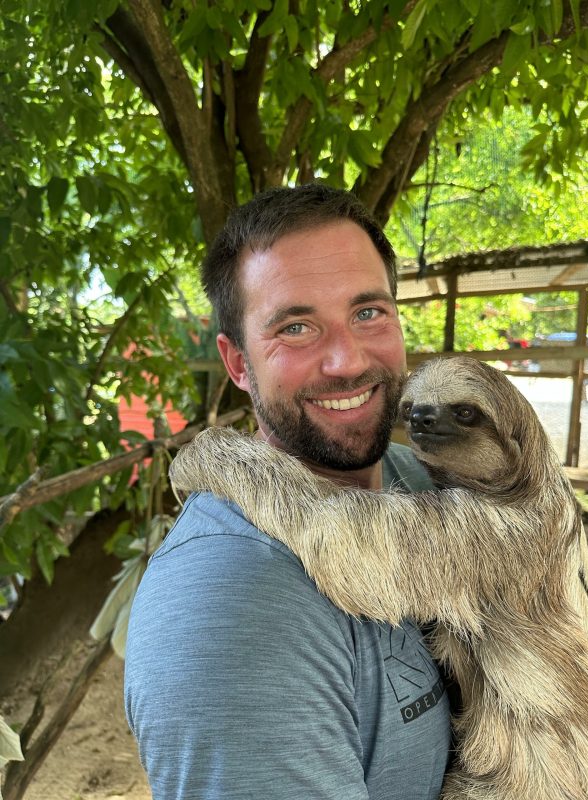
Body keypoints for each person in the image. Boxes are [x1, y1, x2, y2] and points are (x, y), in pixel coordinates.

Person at [124, 184, 451, 799]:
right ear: (238, 363)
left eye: (369, 312)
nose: (346, 361)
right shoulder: (229, 605)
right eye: (296, 327)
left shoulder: (423, 477)